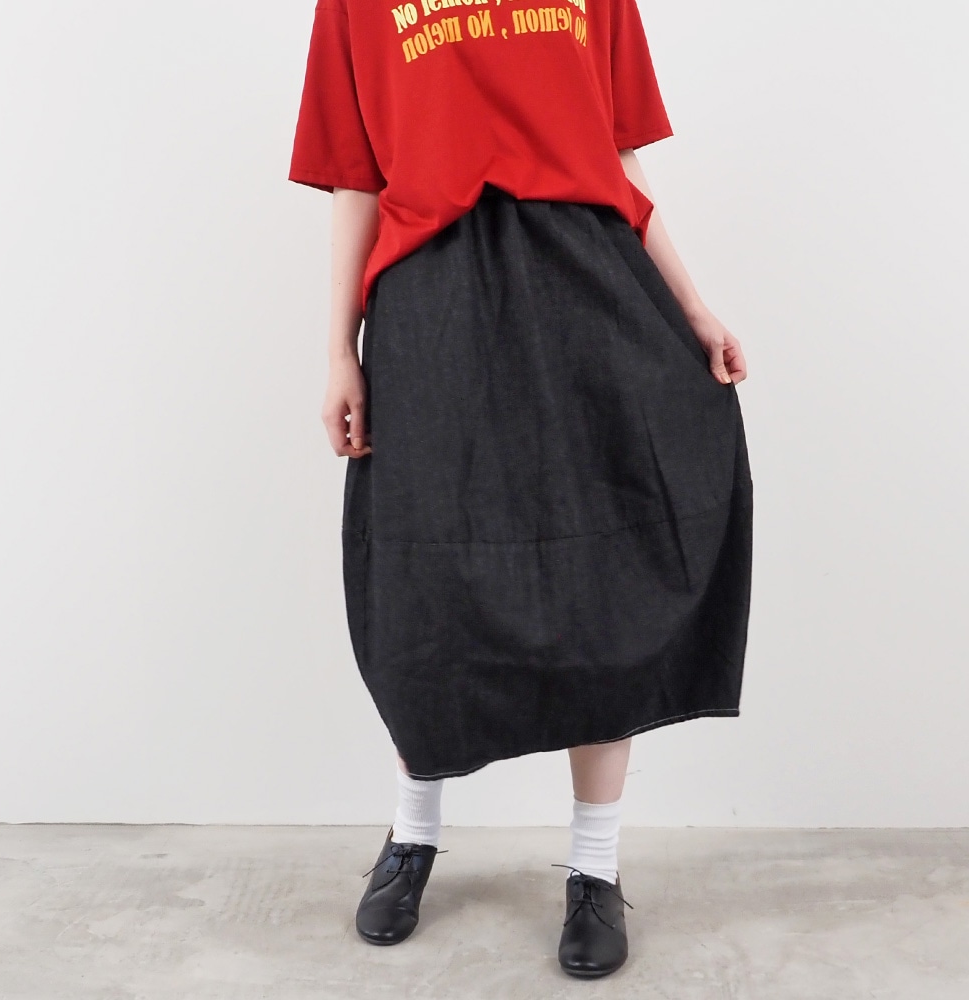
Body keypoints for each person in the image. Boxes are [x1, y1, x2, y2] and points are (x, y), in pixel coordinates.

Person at [288, 0, 753, 979]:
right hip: (432, 297)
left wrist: (693, 306)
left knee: (606, 576)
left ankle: (595, 868)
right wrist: (338, 350)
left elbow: (619, 162)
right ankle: (413, 834)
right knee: (422, 580)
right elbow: (356, 180)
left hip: (591, 287)